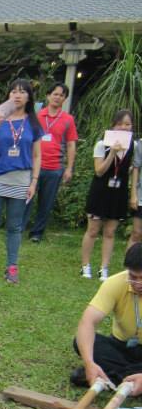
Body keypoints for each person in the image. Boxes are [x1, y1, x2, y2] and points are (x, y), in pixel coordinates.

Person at [0, 79, 42, 284]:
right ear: (8, 95)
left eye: (22, 92)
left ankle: (12, 267)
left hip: (21, 178)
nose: (17, 95)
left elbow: (36, 155)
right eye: (13, 91)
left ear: (29, 97)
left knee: (15, 226)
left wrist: (33, 182)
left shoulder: (32, 122)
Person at [71, 242, 142, 395]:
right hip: (122, 347)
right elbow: (88, 322)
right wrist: (89, 363)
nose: (138, 284)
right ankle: (126, 378)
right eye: (133, 277)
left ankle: (114, 377)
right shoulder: (116, 282)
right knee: (83, 341)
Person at [80, 109, 135, 281]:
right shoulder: (101, 144)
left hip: (118, 193)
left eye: (127, 124)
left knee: (110, 232)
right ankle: (85, 265)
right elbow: (99, 171)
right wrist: (112, 152)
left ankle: (104, 268)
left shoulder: (134, 147)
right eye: (120, 124)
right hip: (100, 191)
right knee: (93, 229)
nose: (123, 128)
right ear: (113, 125)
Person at [24, 83, 78, 243]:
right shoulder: (36, 115)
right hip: (34, 166)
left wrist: (69, 168)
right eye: (55, 94)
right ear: (48, 96)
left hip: (55, 167)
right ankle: (18, 228)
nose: (58, 97)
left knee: (46, 203)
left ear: (65, 99)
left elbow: (71, 144)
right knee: (26, 200)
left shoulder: (68, 120)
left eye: (61, 95)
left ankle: (36, 233)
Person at [128, 135, 142, 250]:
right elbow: (136, 168)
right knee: (136, 232)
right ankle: (130, 266)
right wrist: (133, 195)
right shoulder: (140, 143)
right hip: (141, 195)